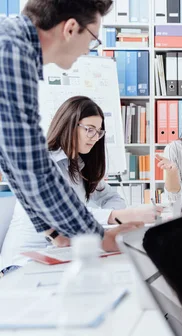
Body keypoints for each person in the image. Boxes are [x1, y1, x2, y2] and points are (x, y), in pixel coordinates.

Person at [0, 0, 140, 254]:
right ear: (71, 28)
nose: (88, 51)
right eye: (92, 39)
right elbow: (32, 165)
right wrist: (98, 237)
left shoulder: (14, 45)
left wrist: (53, 231)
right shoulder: (12, 51)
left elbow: (13, 165)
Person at [1, 96, 160, 266]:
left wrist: (108, 219)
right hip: (23, 264)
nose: (95, 137)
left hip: (61, 254)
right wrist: (118, 216)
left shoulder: (79, 165)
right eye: (90, 129)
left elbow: (112, 198)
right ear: (69, 124)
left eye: (99, 131)